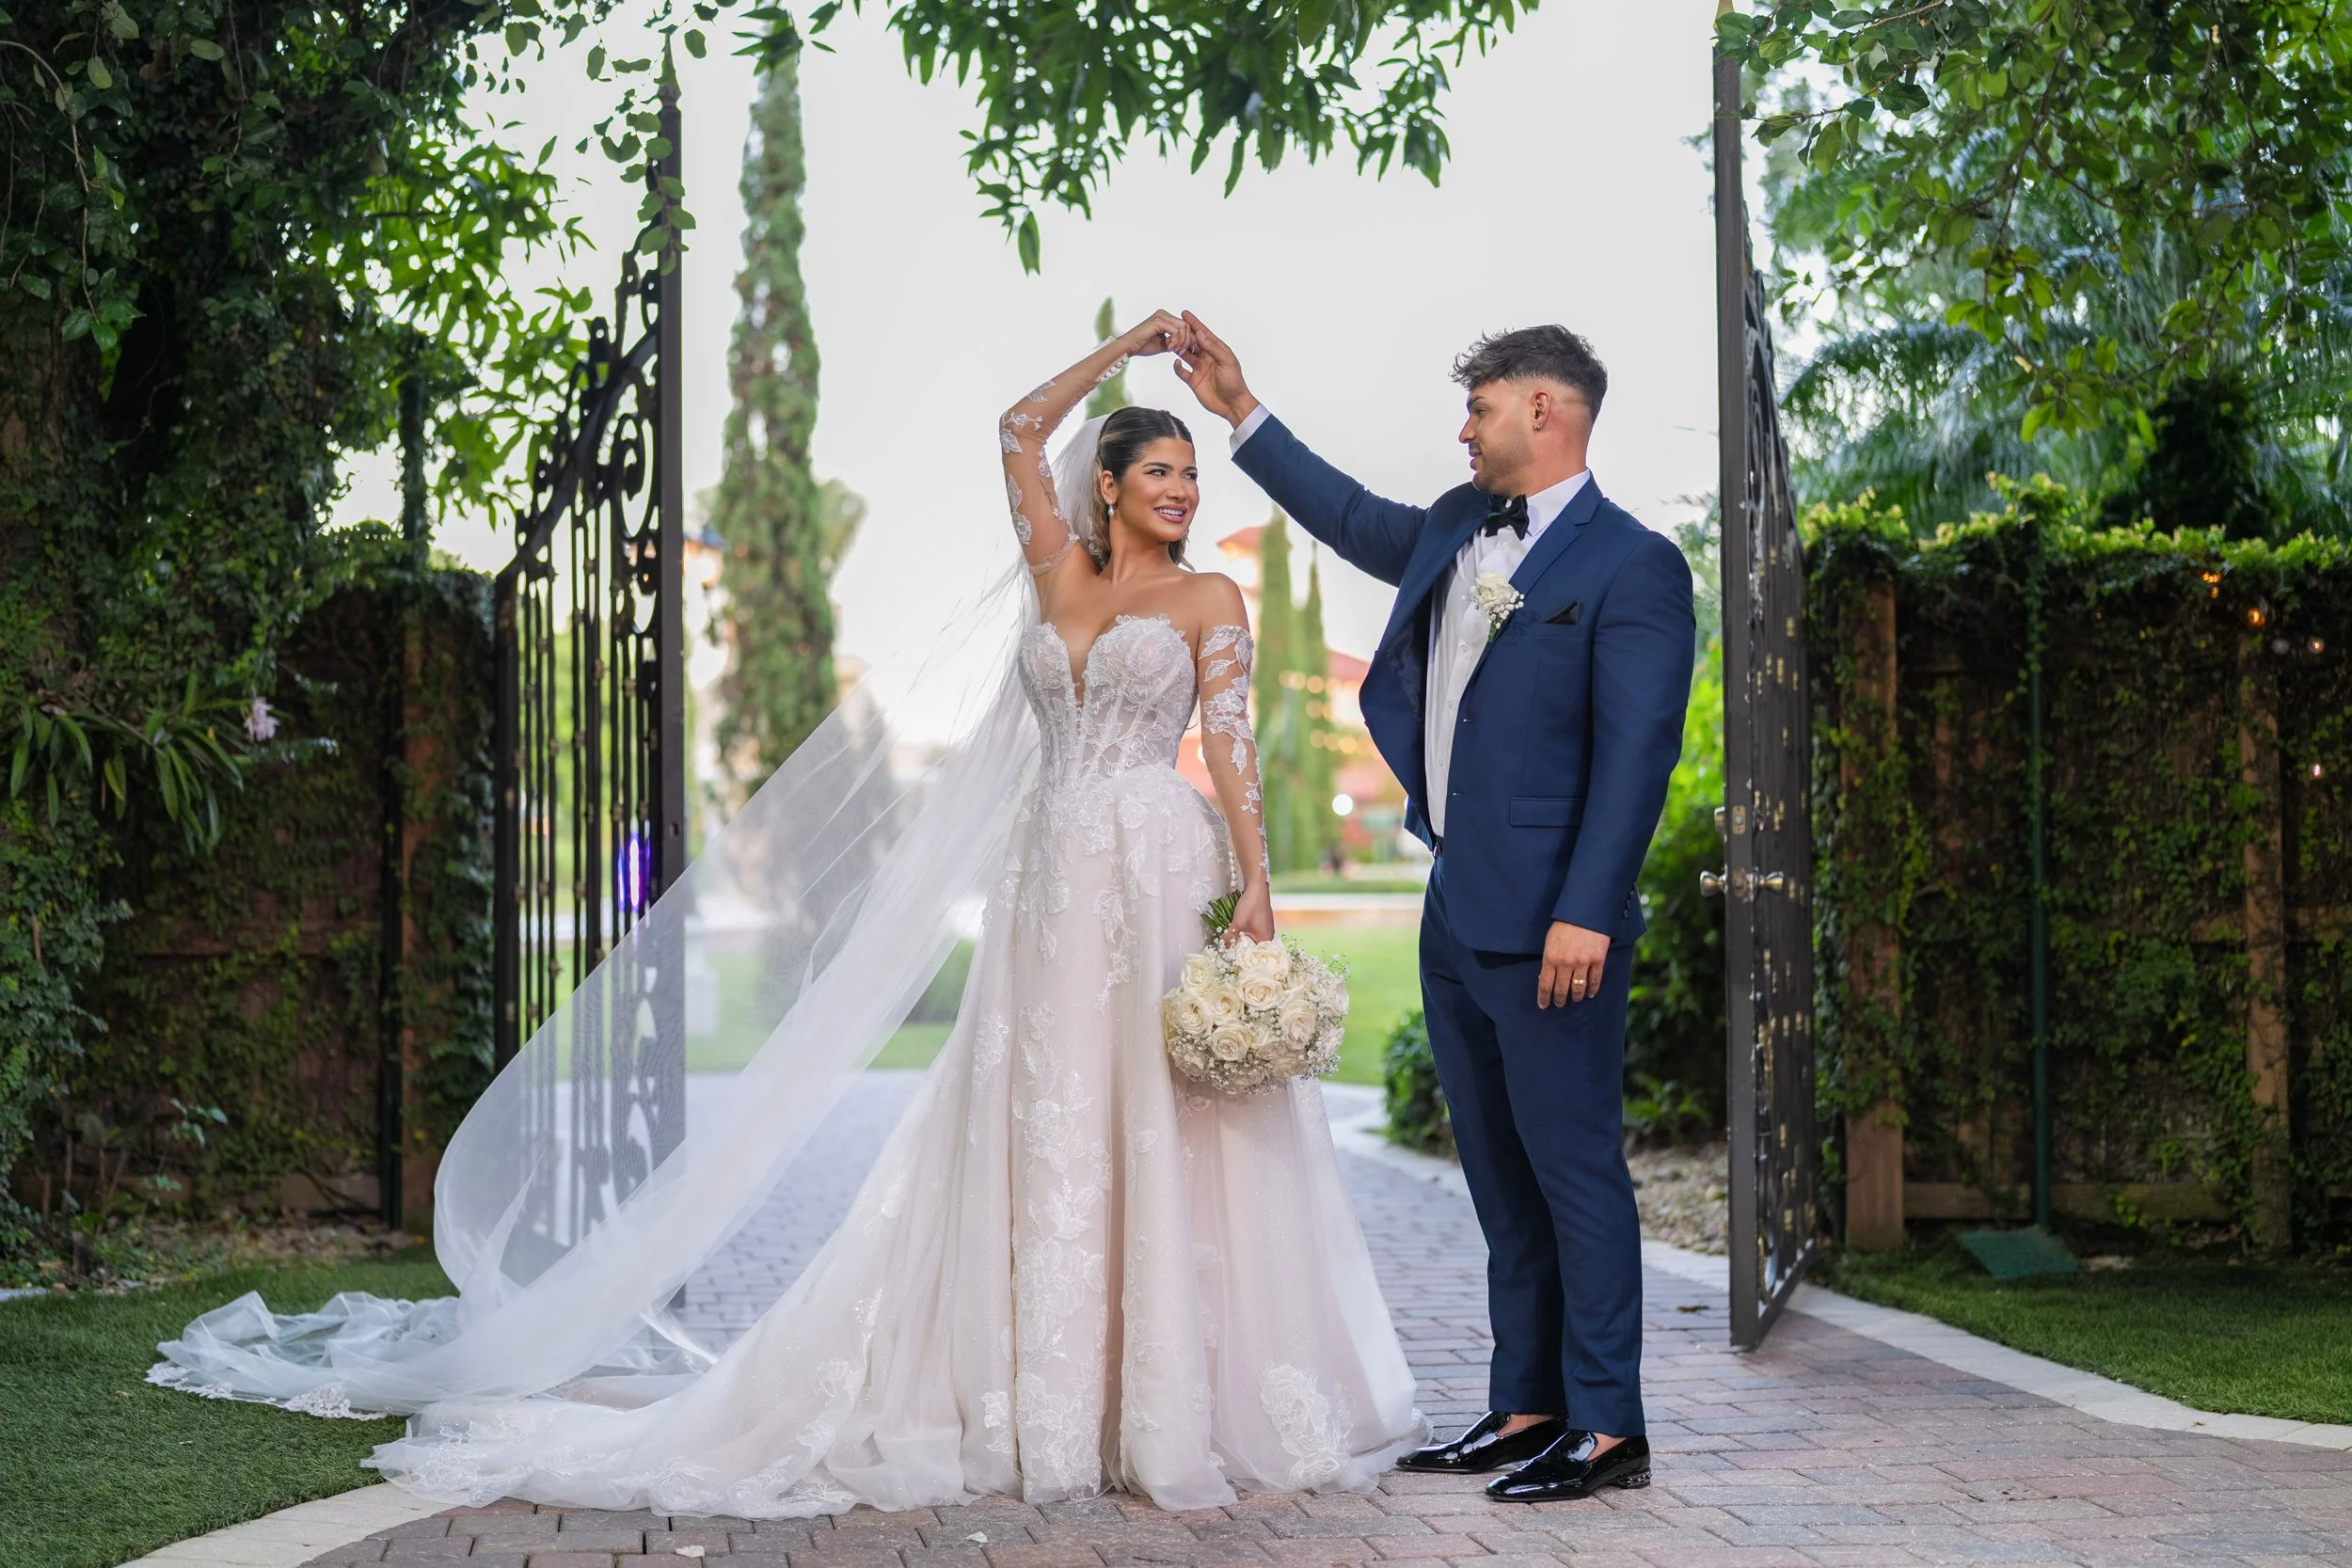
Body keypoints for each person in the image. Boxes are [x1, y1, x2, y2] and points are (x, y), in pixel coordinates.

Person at [152, 311, 1422, 1517]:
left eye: (1193, 478)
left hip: (1156, 858)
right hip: (1048, 876)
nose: (1184, 492)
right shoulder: (1058, 574)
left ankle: (1157, 1400)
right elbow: (1014, 428)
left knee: (1163, 1112)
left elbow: (1234, 746)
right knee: (1043, 1109)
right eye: (1162, 470)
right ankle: (1038, 1393)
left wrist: (1254, 885)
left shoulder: (1212, 603)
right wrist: (1126, 346)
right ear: (1111, 482)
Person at [1176, 315, 1694, 1502]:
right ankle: (1525, 1407)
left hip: (1556, 927)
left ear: (1544, 414)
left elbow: (1636, 761)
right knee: (1498, 1180)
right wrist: (1241, 412)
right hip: (1456, 908)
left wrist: (1590, 910)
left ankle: (1608, 1424)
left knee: (1574, 1173)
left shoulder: (1634, 566)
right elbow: (1354, 517)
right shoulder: (1460, 527)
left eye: (1481, 407)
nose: (1463, 429)